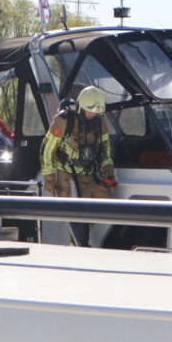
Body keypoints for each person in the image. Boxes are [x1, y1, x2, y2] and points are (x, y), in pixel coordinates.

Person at [41, 86, 117, 246]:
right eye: (89, 111)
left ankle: (87, 234)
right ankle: (77, 245)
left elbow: (105, 148)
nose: (92, 115)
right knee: (73, 215)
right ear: (81, 107)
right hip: (65, 173)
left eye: (95, 113)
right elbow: (47, 149)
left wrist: (108, 169)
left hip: (87, 171)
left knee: (106, 202)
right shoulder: (64, 120)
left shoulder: (100, 120)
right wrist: (49, 178)